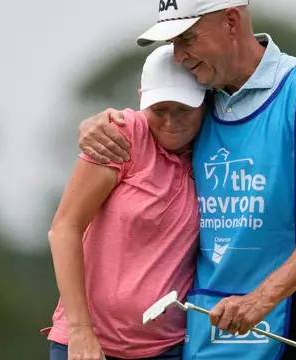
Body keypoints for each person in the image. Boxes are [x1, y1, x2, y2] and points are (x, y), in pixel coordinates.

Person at [76, 0, 296, 359]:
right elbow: (145, 127)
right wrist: (96, 126)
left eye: (188, 39)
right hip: (213, 322)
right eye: (174, 43)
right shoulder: (199, 101)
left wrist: (259, 301)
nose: (178, 56)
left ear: (230, 21)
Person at [42, 44, 208, 360]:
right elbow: (64, 228)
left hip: (167, 349)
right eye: (160, 110)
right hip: (88, 345)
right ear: (142, 97)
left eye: (184, 110)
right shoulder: (122, 135)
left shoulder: (217, 148)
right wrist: (80, 331)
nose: (171, 122)